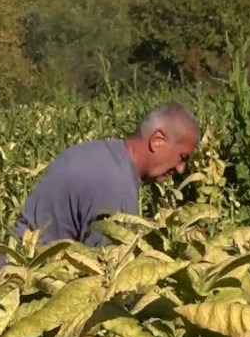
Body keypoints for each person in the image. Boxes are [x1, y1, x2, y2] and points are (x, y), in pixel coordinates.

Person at [12, 102, 201, 248]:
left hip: (6, 266)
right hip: (25, 283)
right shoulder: (117, 186)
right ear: (157, 141)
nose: (181, 169)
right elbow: (105, 275)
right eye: (182, 157)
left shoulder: (100, 151)